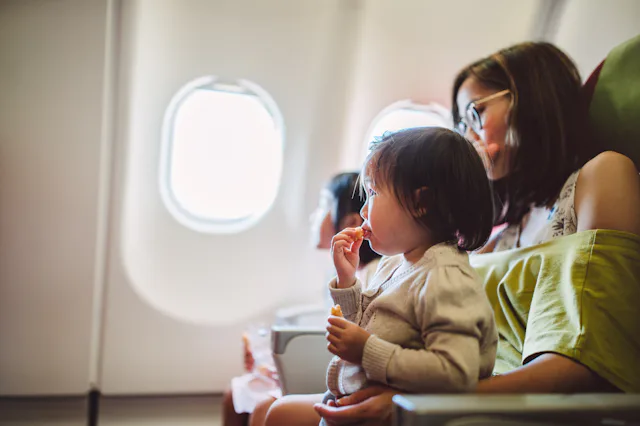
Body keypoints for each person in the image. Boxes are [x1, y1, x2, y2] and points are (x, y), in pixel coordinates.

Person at [264, 41, 640, 426]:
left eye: (476, 113)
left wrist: (415, 401)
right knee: (271, 411)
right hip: (449, 382)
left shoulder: (602, 177)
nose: (467, 134)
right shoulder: (507, 227)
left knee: (282, 416)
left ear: (532, 100)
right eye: (460, 122)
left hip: (507, 401)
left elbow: (583, 359)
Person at [317, 127, 497, 426]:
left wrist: (365, 350)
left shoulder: (444, 278)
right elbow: (369, 324)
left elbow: (455, 373)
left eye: (373, 193)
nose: (363, 210)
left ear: (420, 203)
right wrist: (347, 281)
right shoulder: (395, 263)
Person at [222, 172, 381, 426]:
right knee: (234, 395)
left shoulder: (369, 277)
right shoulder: (343, 272)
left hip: (342, 375)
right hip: (327, 367)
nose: (314, 215)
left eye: (323, 205)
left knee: (264, 407)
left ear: (350, 222)